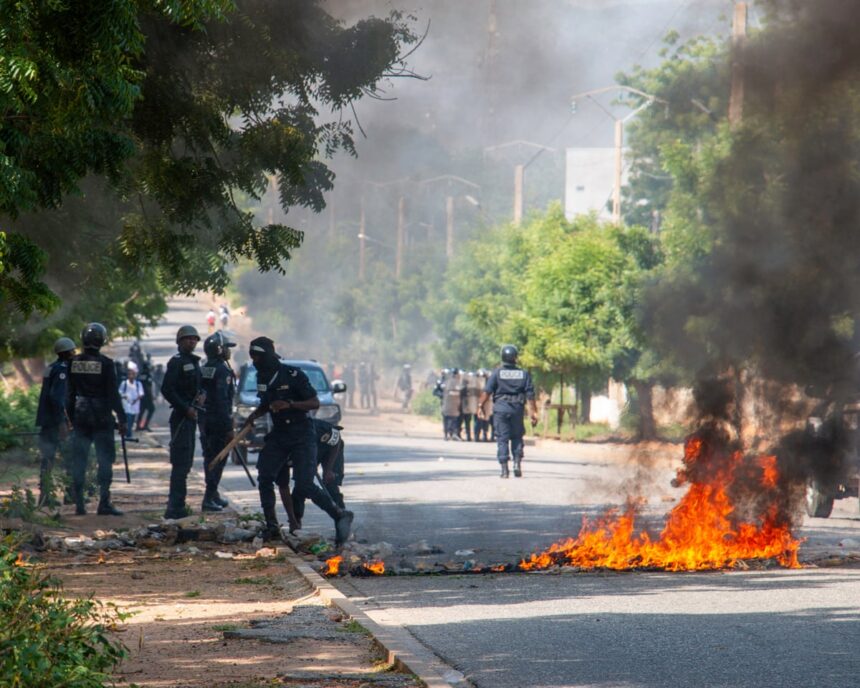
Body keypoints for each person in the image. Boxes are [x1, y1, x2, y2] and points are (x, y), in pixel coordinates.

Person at [241, 336, 353, 544]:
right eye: (252, 357)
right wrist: (255, 414)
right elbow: (266, 403)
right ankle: (272, 526)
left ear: (268, 355)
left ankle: (339, 515)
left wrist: (289, 404)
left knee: (303, 484)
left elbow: (314, 403)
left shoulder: (293, 375)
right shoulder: (261, 377)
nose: (255, 361)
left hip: (302, 433)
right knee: (265, 476)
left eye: (258, 356)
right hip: (279, 434)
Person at [65, 323, 126, 515]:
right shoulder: (107, 364)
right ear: (102, 340)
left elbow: (68, 395)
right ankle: (104, 502)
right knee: (105, 460)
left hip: (80, 415)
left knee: (79, 461)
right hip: (102, 417)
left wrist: (71, 418)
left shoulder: (73, 363)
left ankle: (79, 504)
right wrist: (122, 418)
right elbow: (113, 394)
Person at [161, 325, 203, 519]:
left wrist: (202, 397)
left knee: (186, 464)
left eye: (194, 339)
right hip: (181, 417)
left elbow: (198, 387)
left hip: (191, 417)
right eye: (187, 339)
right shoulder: (176, 362)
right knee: (180, 463)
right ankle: (174, 507)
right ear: (179, 342)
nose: (191, 342)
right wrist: (185, 408)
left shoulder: (194, 362)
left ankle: (179, 504)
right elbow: (167, 390)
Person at [478, 345, 538, 478]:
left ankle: (504, 470)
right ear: (515, 358)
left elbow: (487, 392)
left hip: (500, 409)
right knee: (517, 437)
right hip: (517, 409)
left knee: (502, 438)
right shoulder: (524, 374)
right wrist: (534, 412)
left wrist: (480, 406)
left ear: (502, 357)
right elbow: (530, 395)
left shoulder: (497, 373)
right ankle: (517, 463)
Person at [35, 337, 76, 507]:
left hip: (46, 421)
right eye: (72, 351)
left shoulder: (50, 367)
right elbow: (57, 397)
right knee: (69, 457)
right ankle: (70, 494)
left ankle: (44, 497)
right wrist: (63, 422)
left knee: (47, 459)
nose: (74, 354)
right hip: (55, 422)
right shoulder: (61, 369)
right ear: (66, 353)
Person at [198, 331, 236, 512]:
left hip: (205, 420)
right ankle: (208, 497)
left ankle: (213, 495)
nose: (229, 352)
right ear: (219, 349)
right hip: (218, 422)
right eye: (227, 348)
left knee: (209, 458)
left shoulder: (205, 367)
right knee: (218, 459)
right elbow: (222, 400)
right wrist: (229, 427)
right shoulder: (222, 370)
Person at [290, 418, 347, 532]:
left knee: (330, 483)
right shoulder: (288, 437)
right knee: (301, 485)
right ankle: (296, 522)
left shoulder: (318, 429)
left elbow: (336, 442)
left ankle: (342, 522)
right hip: (309, 454)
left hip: (331, 450)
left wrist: (328, 470)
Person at [119, 362, 143, 438]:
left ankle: (128, 432)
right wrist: (124, 396)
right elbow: (120, 392)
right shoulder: (124, 383)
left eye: (133, 374)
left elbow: (141, 394)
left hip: (135, 405)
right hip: (126, 404)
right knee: (128, 419)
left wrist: (135, 400)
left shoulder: (138, 384)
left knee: (132, 419)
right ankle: (128, 434)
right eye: (130, 374)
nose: (131, 376)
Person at [442, 369, 465, 441]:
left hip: (449, 404)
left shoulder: (446, 382)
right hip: (453, 404)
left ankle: (447, 434)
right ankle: (450, 434)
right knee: (453, 420)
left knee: (448, 419)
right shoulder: (457, 382)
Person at [137, 355, 156, 431]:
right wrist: (151, 396)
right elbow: (148, 387)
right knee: (152, 409)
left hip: (141, 396)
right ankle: (145, 425)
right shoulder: (148, 375)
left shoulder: (140, 375)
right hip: (147, 396)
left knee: (141, 411)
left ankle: (138, 426)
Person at [462, 371, 481, 441]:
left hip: (469, 405)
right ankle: (475, 436)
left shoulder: (465, 384)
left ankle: (470, 436)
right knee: (475, 420)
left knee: (469, 421)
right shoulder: (478, 384)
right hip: (474, 405)